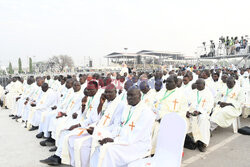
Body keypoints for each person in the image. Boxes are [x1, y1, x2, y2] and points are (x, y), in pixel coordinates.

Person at [90, 86, 155, 167]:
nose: (129, 98)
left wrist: (114, 140)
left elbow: (136, 136)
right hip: (123, 140)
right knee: (98, 146)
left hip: (137, 145)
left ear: (139, 96)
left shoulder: (146, 113)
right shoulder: (128, 109)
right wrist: (108, 136)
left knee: (108, 150)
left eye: (132, 95)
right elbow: (119, 127)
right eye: (128, 95)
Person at [186, 79, 214, 152]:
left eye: (199, 84)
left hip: (203, 113)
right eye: (196, 84)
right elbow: (188, 103)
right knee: (184, 118)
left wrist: (199, 112)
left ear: (204, 85)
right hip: (192, 112)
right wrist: (188, 111)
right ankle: (189, 140)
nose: (197, 85)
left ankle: (202, 142)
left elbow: (209, 106)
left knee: (202, 119)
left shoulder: (208, 93)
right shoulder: (192, 92)